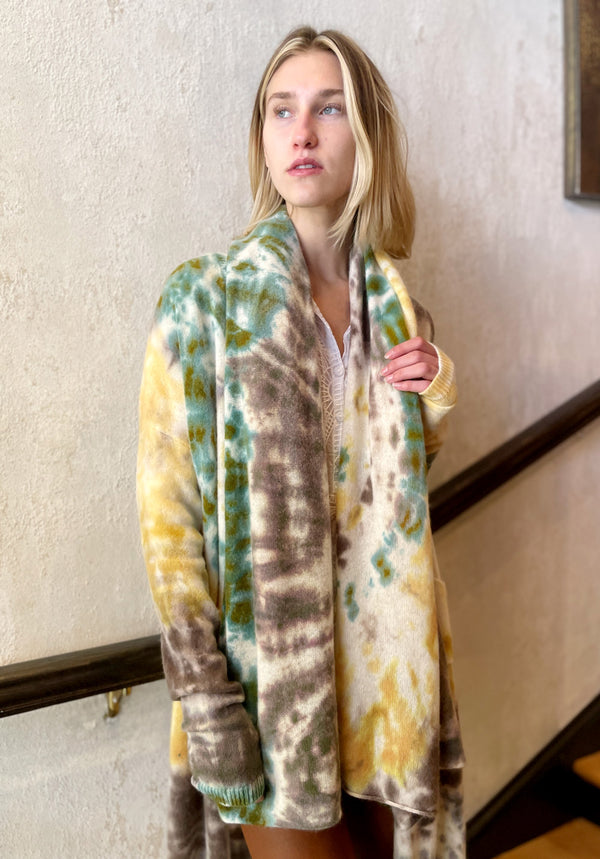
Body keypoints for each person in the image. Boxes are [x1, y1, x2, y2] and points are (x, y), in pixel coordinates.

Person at [137, 25, 465, 859]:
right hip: (270, 690)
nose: (303, 131)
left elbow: (390, 503)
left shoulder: (400, 312)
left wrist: (434, 396)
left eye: (329, 108)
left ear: (367, 136)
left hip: (384, 684)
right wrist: (207, 699)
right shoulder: (205, 302)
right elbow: (169, 527)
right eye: (281, 111)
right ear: (263, 138)